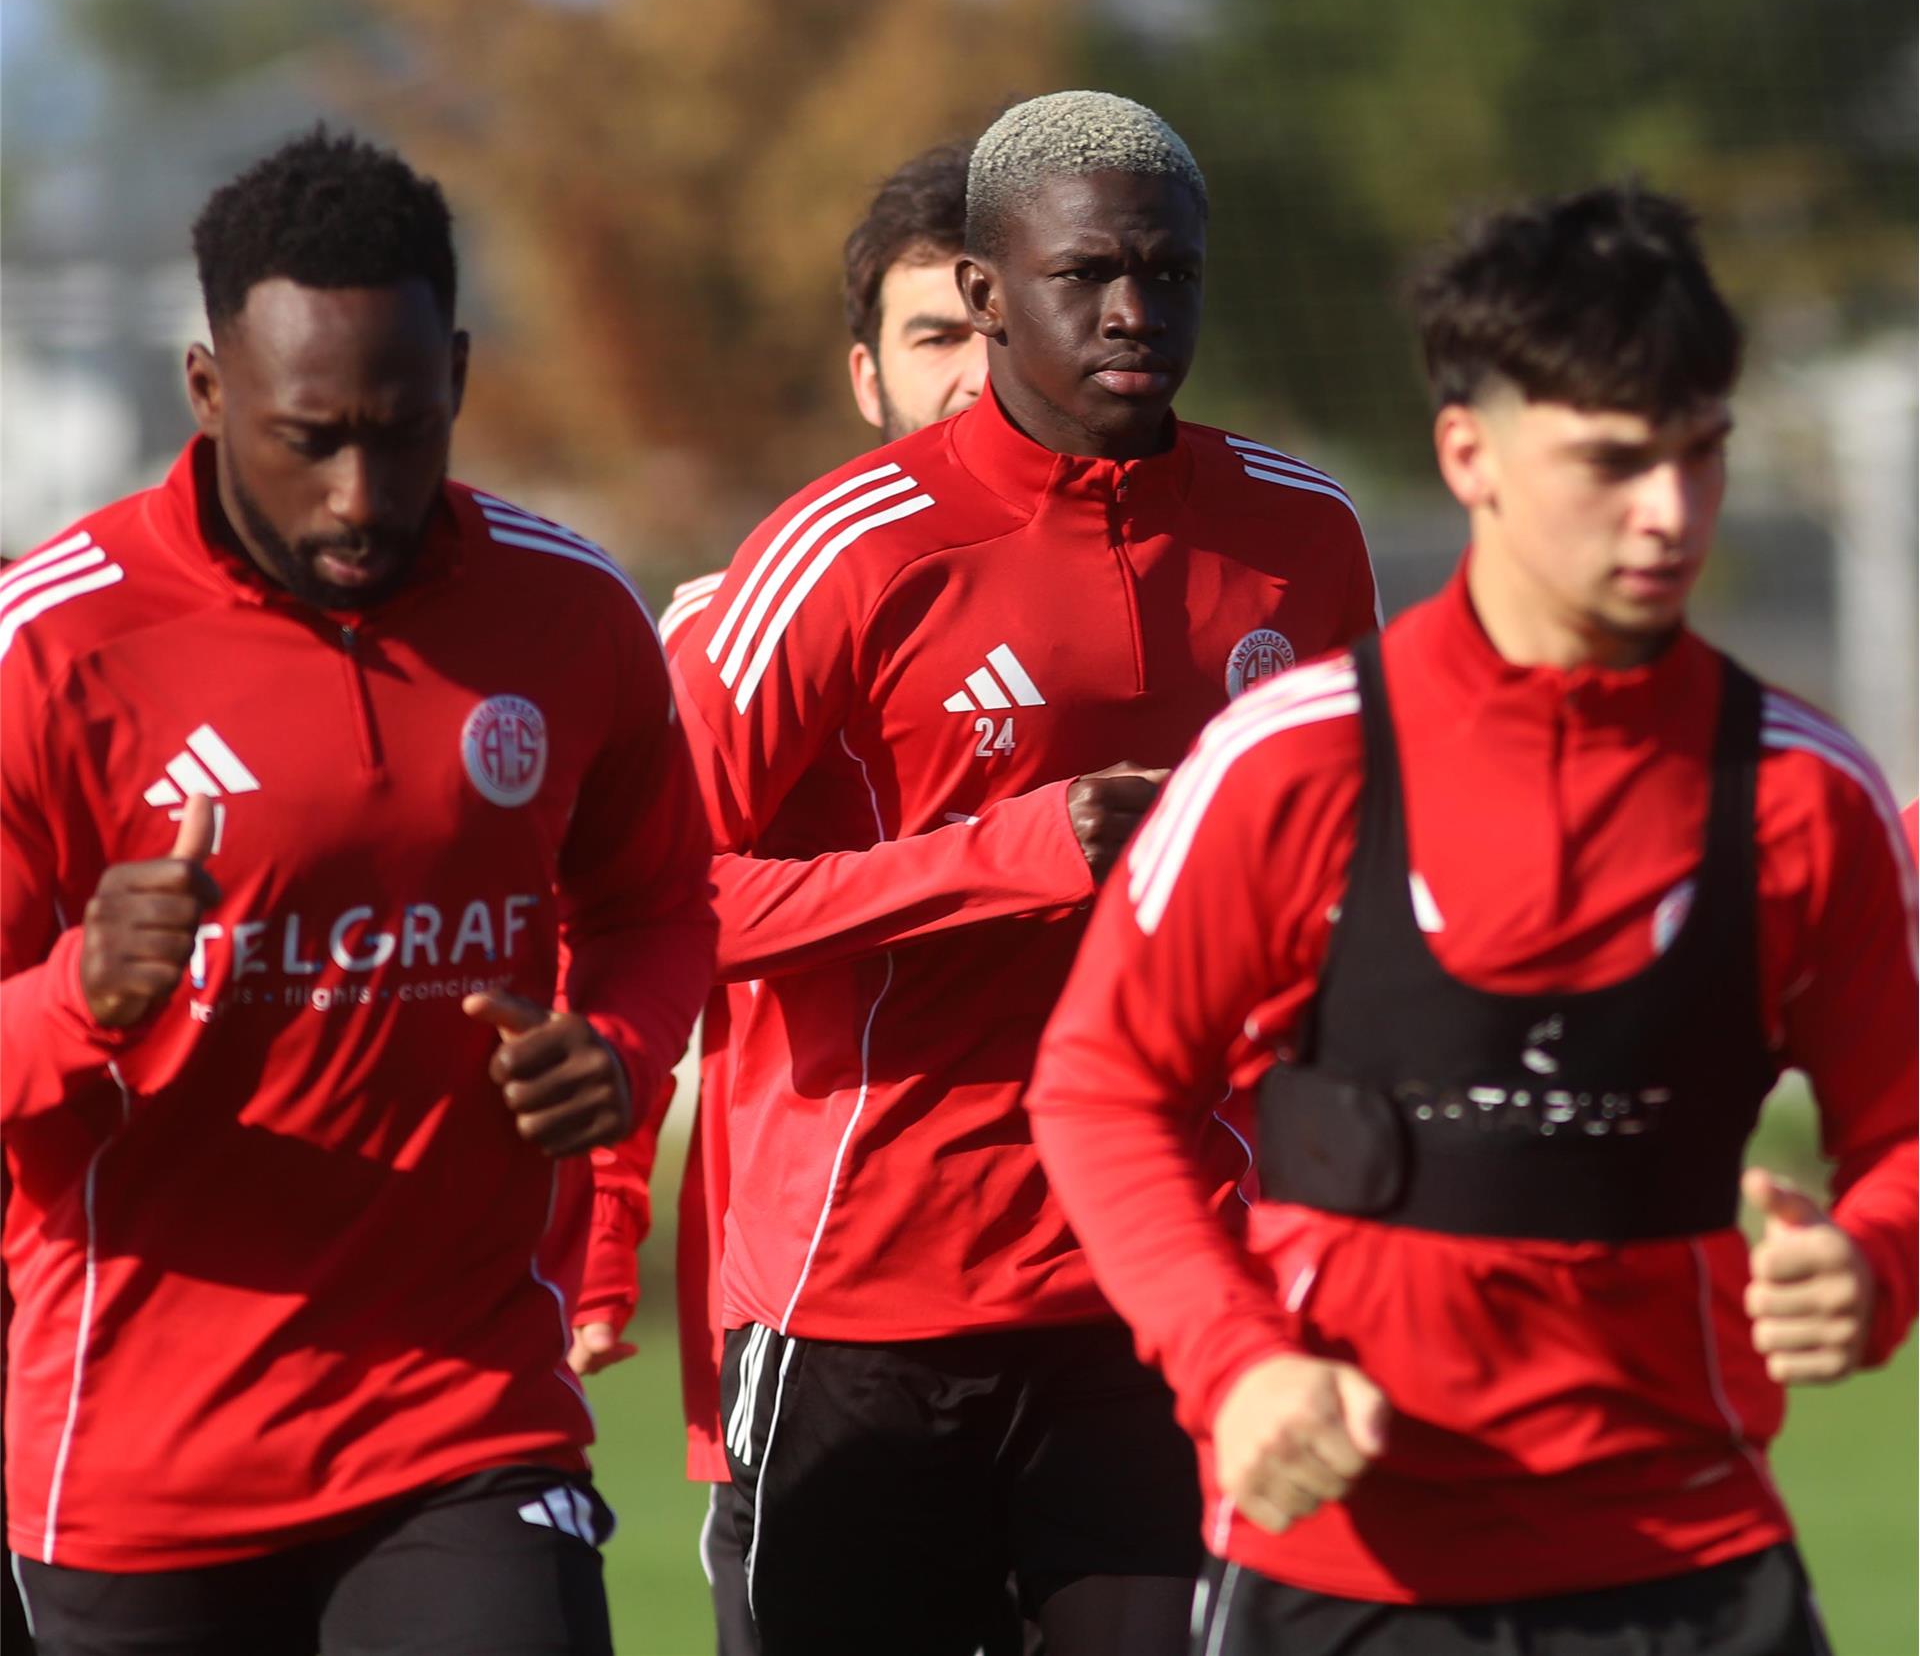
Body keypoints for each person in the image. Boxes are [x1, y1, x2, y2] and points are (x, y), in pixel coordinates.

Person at [1029, 183, 1918, 1656]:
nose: (1671, 513)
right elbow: (1101, 1087)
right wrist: (1235, 1362)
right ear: (1469, 455)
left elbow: (1900, 1132)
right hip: (1348, 1565)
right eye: (1613, 463)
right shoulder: (1290, 762)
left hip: (1693, 1565)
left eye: (1702, 455)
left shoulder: (1801, 793)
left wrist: (1877, 1258)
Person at [669, 90, 1378, 1656]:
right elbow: (645, 902)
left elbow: (1353, 877)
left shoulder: (1301, 535)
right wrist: (1009, 856)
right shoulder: (847, 550)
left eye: (1171, 274)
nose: (1136, 312)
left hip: (1160, 1264)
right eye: (1089, 275)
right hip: (874, 1283)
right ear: (987, 293)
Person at [0, 128, 716, 1655]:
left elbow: (658, 905)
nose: (358, 495)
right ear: (208, 390)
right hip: (142, 1454)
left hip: (463, 1415)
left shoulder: (569, 612)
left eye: (402, 433)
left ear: (456, 373)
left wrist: (617, 1049)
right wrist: (79, 997)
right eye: (308, 437)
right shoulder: (52, 649)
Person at [574, 139, 992, 1656]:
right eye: (934, 336)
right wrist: (604, 1226)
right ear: (866, 376)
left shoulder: (1202, 580)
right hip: (827, 1304)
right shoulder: (768, 612)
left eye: (997, 329)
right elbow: (637, 919)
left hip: (1111, 1310)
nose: (973, 375)